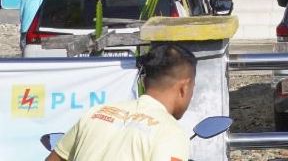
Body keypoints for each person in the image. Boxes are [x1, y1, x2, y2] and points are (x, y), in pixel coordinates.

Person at [46, 42, 198, 161]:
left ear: (144, 82)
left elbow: (55, 158)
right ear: (184, 88)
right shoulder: (170, 132)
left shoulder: (96, 113)